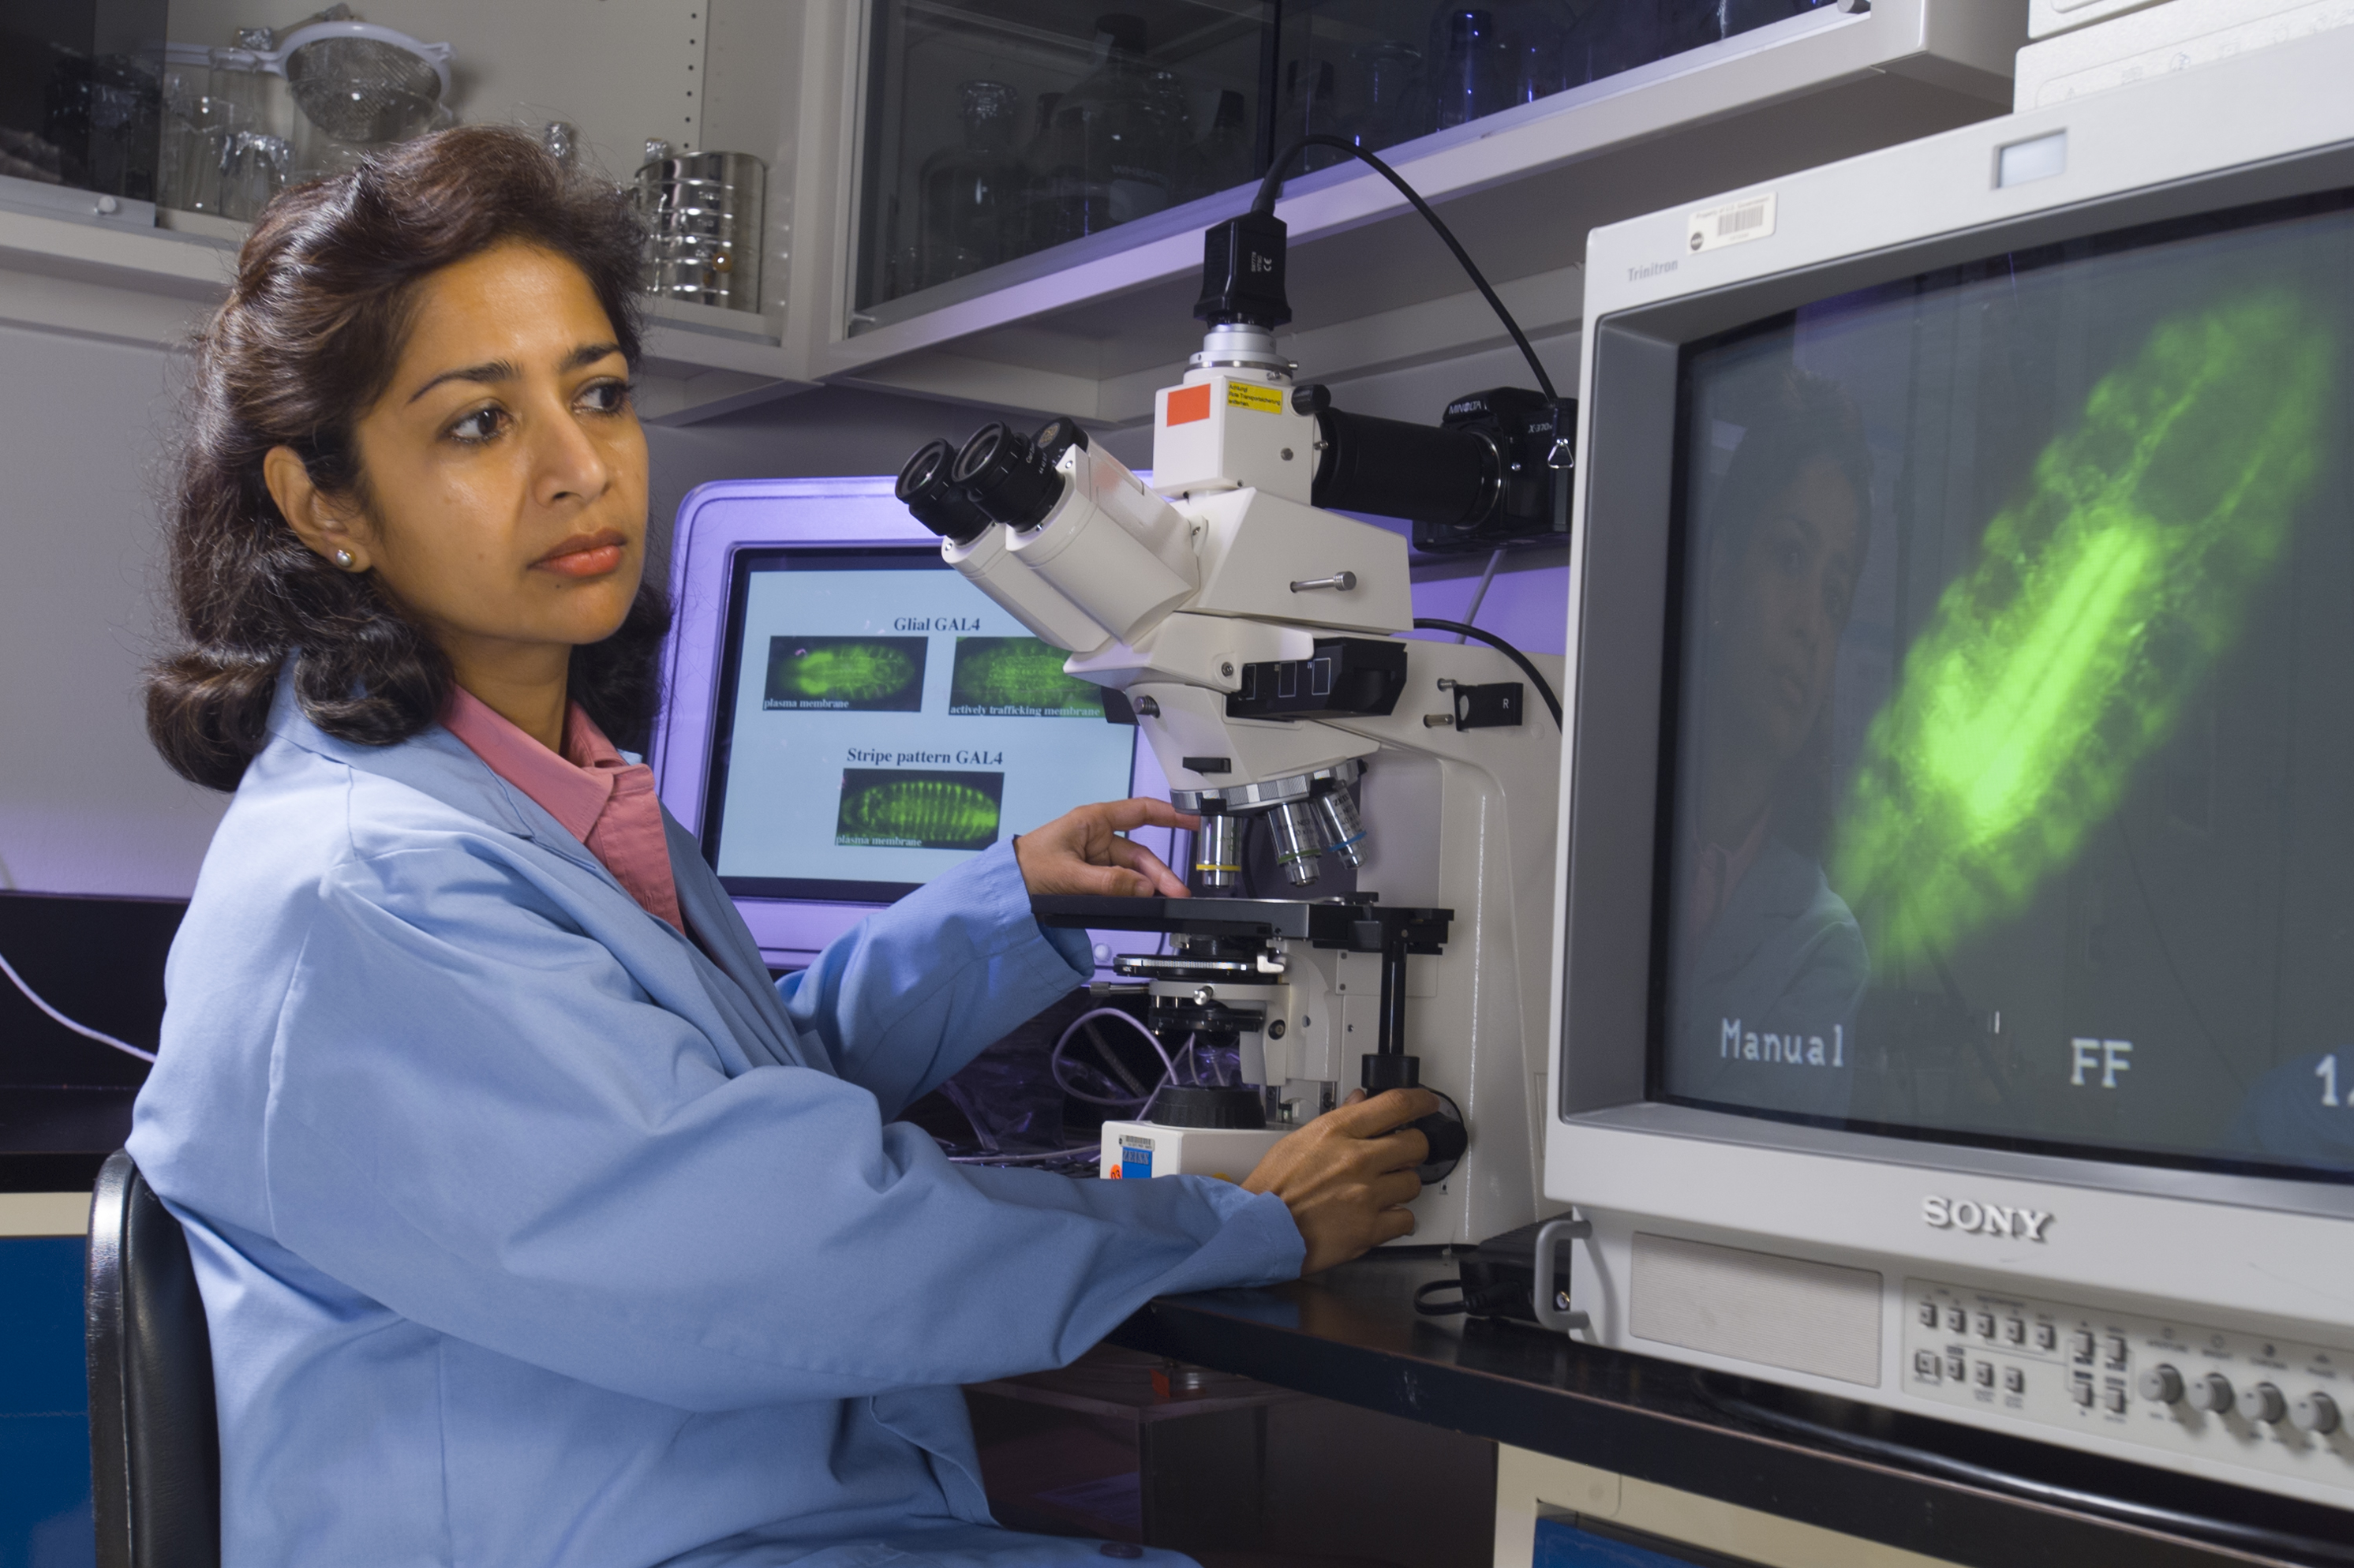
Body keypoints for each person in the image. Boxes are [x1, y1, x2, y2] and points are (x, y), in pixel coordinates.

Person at [126, 125, 1435, 1568]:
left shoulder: (536, 799)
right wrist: (1239, 1222)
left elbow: (715, 1106)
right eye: (478, 423)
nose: (580, 470)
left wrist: (1005, 909)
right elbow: (792, 1249)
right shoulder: (369, 888)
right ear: (325, 504)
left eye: (601, 394)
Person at [1667, 367, 1873, 1120]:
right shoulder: (1606, 838)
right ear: (1720, 573)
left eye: (1835, 595)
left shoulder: (1826, 947)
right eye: (1790, 556)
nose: (1809, 624)